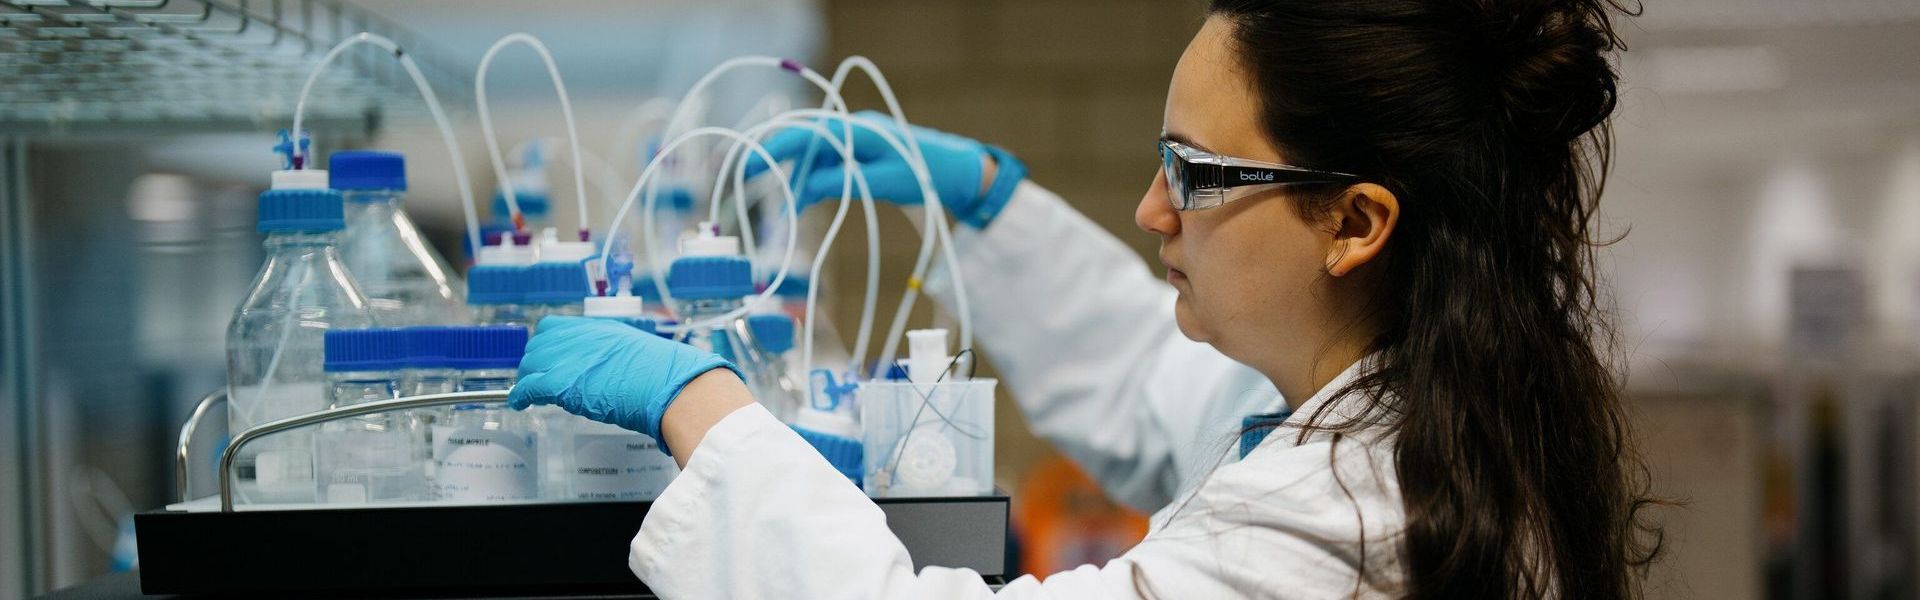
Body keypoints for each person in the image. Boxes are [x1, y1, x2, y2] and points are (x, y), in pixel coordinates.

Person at [509, 0, 1664, 597]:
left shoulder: (1352, 526)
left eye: (1196, 174)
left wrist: (705, 411)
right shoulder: (1426, 406)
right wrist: (982, 206)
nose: (1153, 210)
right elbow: (1153, 382)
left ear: (1355, 223)